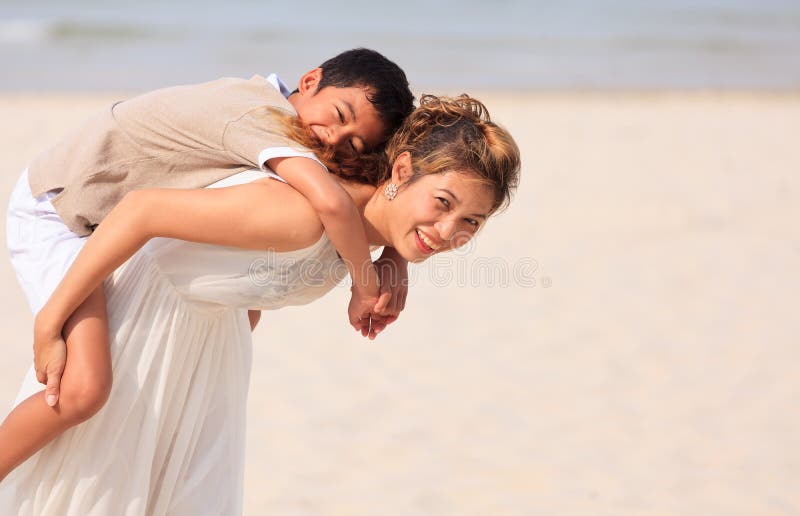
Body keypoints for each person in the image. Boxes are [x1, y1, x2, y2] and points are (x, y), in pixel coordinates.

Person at [0, 94, 520, 514]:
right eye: (443, 204)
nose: (448, 231)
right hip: (138, 321)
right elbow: (139, 211)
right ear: (401, 171)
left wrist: (392, 257)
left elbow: (247, 278)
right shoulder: (304, 216)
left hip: (205, 347)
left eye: (471, 222)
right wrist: (53, 319)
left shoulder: (357, 237)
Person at [0, 48, 414, 479]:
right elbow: (332, 201)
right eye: (339, 114)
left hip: (105, 217)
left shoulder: (291, 125)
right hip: (59, 210)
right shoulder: (257, 113)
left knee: (238, 321)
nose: (333, 138)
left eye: (353, 143)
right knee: (84, 391)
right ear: (310, 81)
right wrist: (364, 284)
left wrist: (396, 254)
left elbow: (388, 187)